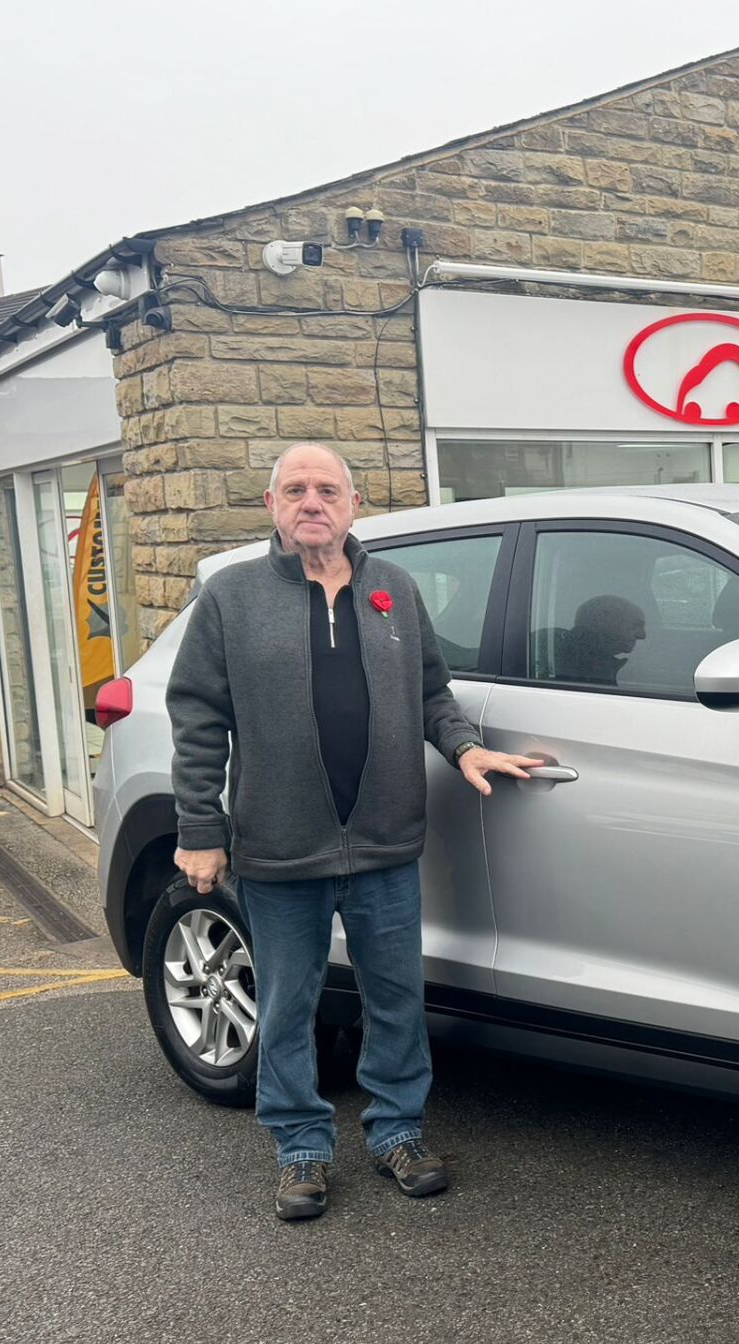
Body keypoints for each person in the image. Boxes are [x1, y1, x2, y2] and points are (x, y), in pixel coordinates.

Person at [167, 443, 539, 1221]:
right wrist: (200, 826)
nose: (313, 502)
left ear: (353, 503)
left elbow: (432, 691)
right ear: (272, 505)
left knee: (397, 1000)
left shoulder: (394, 590)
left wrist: (465, 745)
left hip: (383, 847)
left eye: (327, 489)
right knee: (286, 1006)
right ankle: (300, 1148)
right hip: (279, 848)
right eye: (296, 489)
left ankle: (397, 1132)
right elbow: (197, 714)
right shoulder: (232, 598)